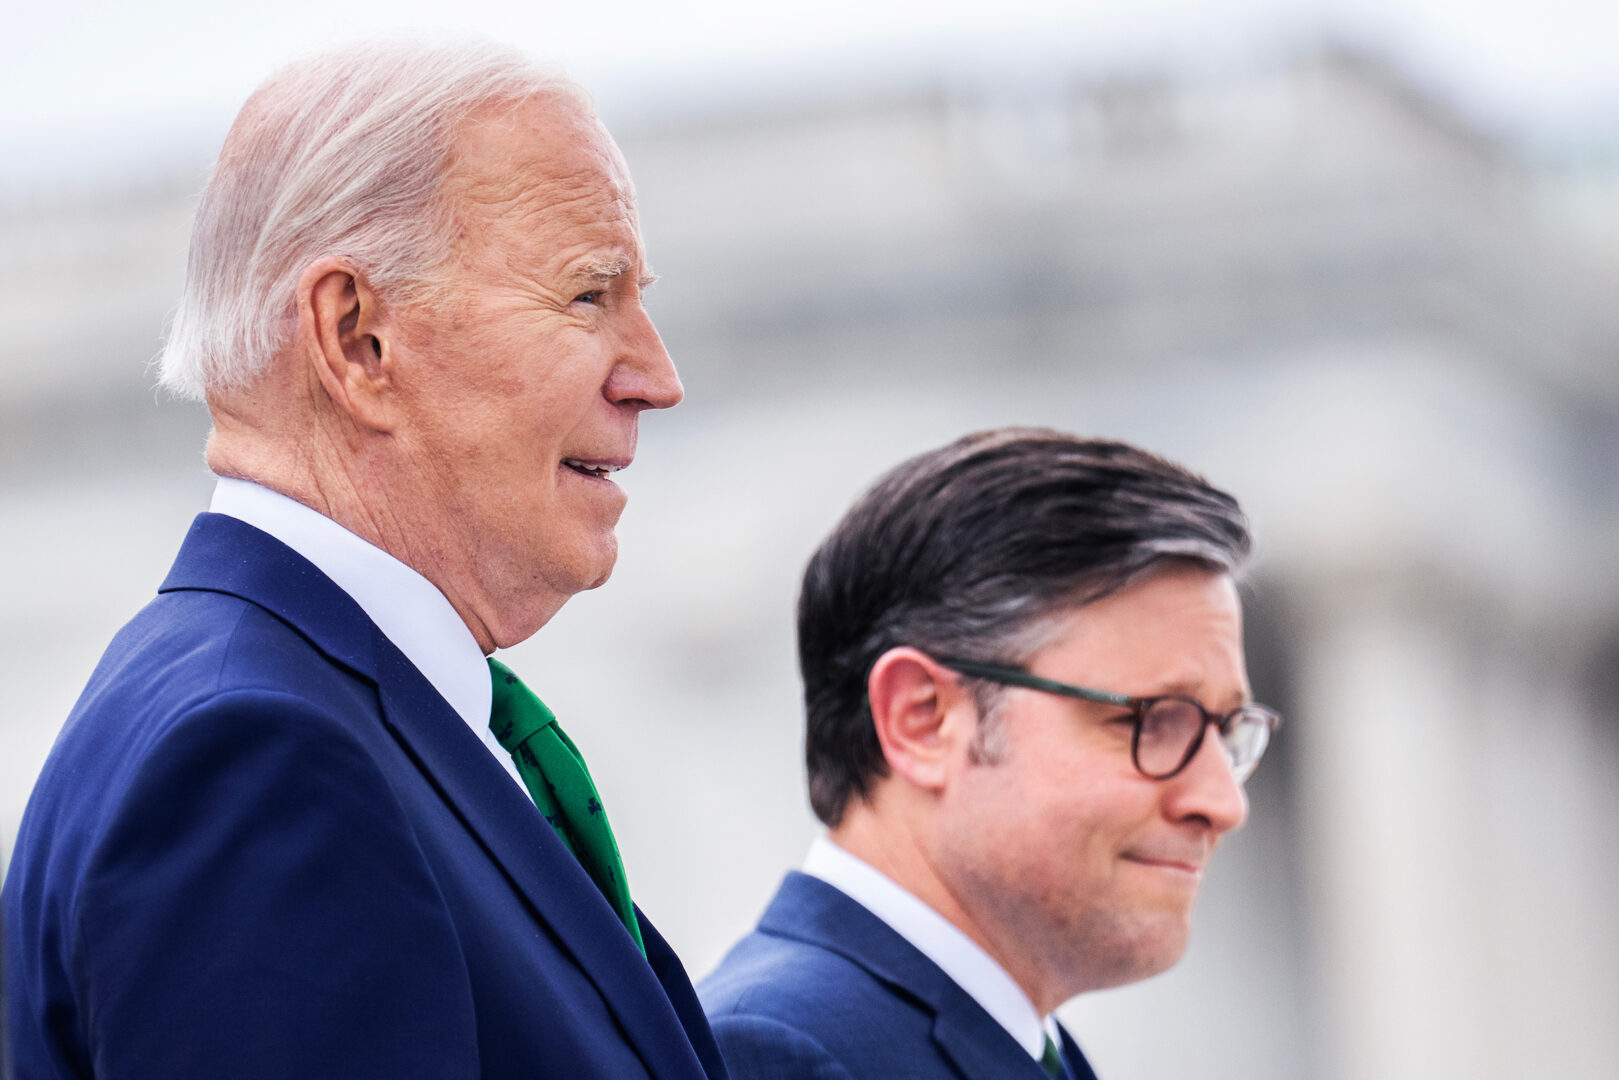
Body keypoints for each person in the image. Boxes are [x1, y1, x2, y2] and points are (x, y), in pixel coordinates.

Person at [3, 40, 728, 1080]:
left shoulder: (279, 711)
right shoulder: (259, 761)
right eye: (586, 296)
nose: (657, 378)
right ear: (356, 340)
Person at [699, 428, 1280, 1079]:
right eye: (1152, 720)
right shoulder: (776, 1057)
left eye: (1226, 730)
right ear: (922, 720)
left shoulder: (1010, 1038)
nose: (1222, 803)